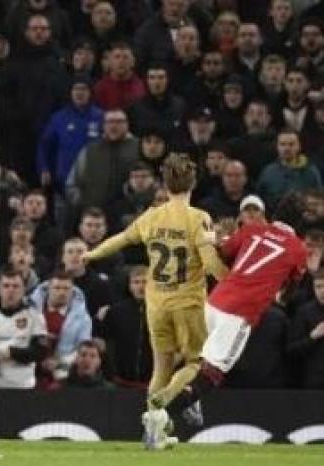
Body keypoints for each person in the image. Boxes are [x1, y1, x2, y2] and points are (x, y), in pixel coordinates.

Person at [81, 154, 228, 450]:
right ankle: (163, 402)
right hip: (187, 301)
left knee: (161, 366)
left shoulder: (152, 215)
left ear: (164, 182)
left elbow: (121, 239)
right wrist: (233, 282)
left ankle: (153, 433)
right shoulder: (198, 218)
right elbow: (211, 264)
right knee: (197, 362)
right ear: (193, 183)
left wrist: (91, 254)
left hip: (156, 303)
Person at [160, 193, 307, 433]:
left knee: (195, 359)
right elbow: (291, 288)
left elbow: (222, 252)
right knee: (214, 372)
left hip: (215, 300)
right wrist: (278, 298)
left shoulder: (252, 230)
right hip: (239, 313)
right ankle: (162, 415)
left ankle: (188, 401)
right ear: (300, 225)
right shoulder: (298, 250)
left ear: (274, 214)